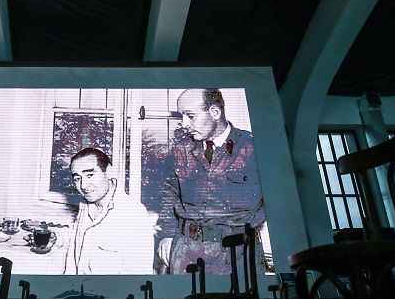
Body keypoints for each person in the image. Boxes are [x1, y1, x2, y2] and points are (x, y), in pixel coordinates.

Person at [156, 89, 265, 275]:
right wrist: (166, 235)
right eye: (182, 117)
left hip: (238, 252)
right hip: (186, 250)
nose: (184, 124)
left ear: (215, 112)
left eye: (190, 116)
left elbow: (274, 201)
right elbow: (170, 194)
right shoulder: (181, 150)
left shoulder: (252, 148)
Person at [63, 147, 156, 275]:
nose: (83, 185)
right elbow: (72, 262)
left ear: (109, 171)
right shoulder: (85, 205)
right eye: (77, 178)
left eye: (90, 175)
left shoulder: (133, 214)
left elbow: (138, 278)